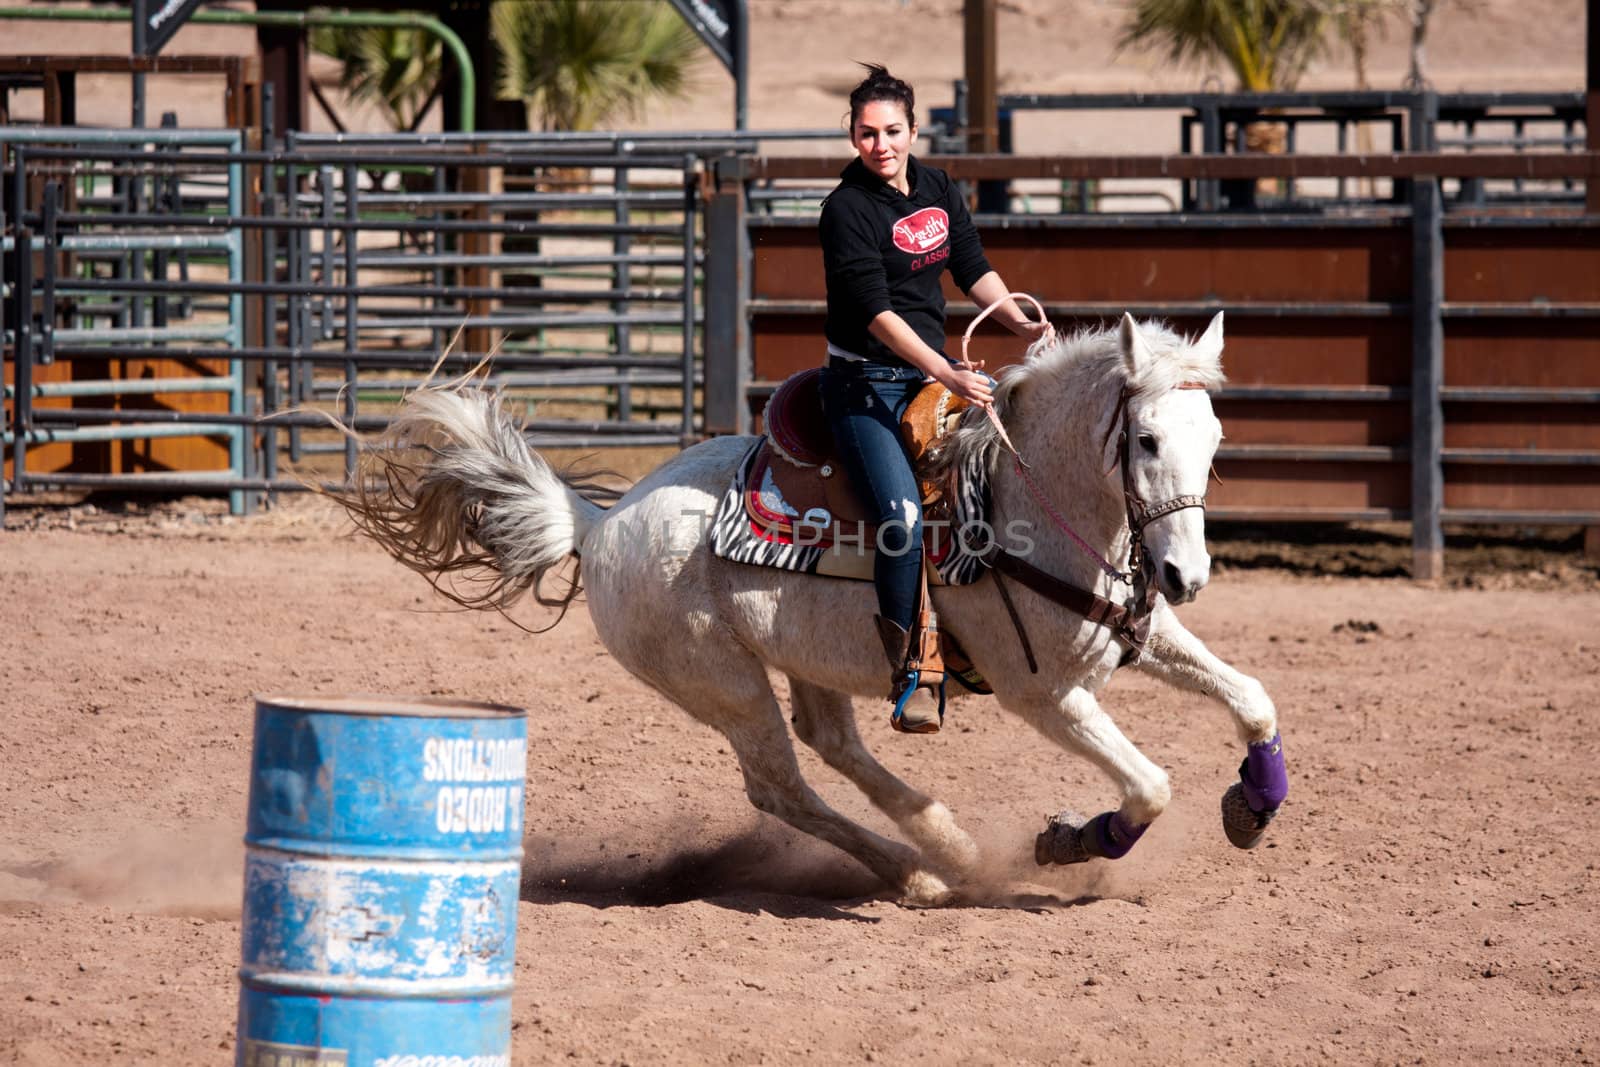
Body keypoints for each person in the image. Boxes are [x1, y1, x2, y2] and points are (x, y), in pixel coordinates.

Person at [819, 63, 1045, 735]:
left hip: (929, 379)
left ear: (915, 131)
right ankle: (913, 673)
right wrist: (947, 372)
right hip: (865, 387)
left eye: (892, 131)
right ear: (852, 136)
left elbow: (972, 267)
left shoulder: (940, 188)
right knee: (903, 518)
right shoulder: (846, 210)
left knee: (1002, 488)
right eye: (867, 133)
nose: (880, 144)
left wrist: (1019, 321)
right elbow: (876, 313)